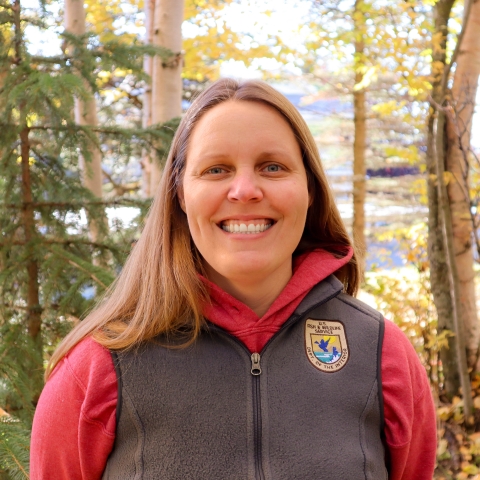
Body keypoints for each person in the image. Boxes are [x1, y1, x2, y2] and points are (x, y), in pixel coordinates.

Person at [30, 78, 436, 479]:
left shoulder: (383, 356)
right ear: (181, 195)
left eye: (272, 167)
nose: (244, 190)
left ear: (310, 188)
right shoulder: (96, 370)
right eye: (216, 169)